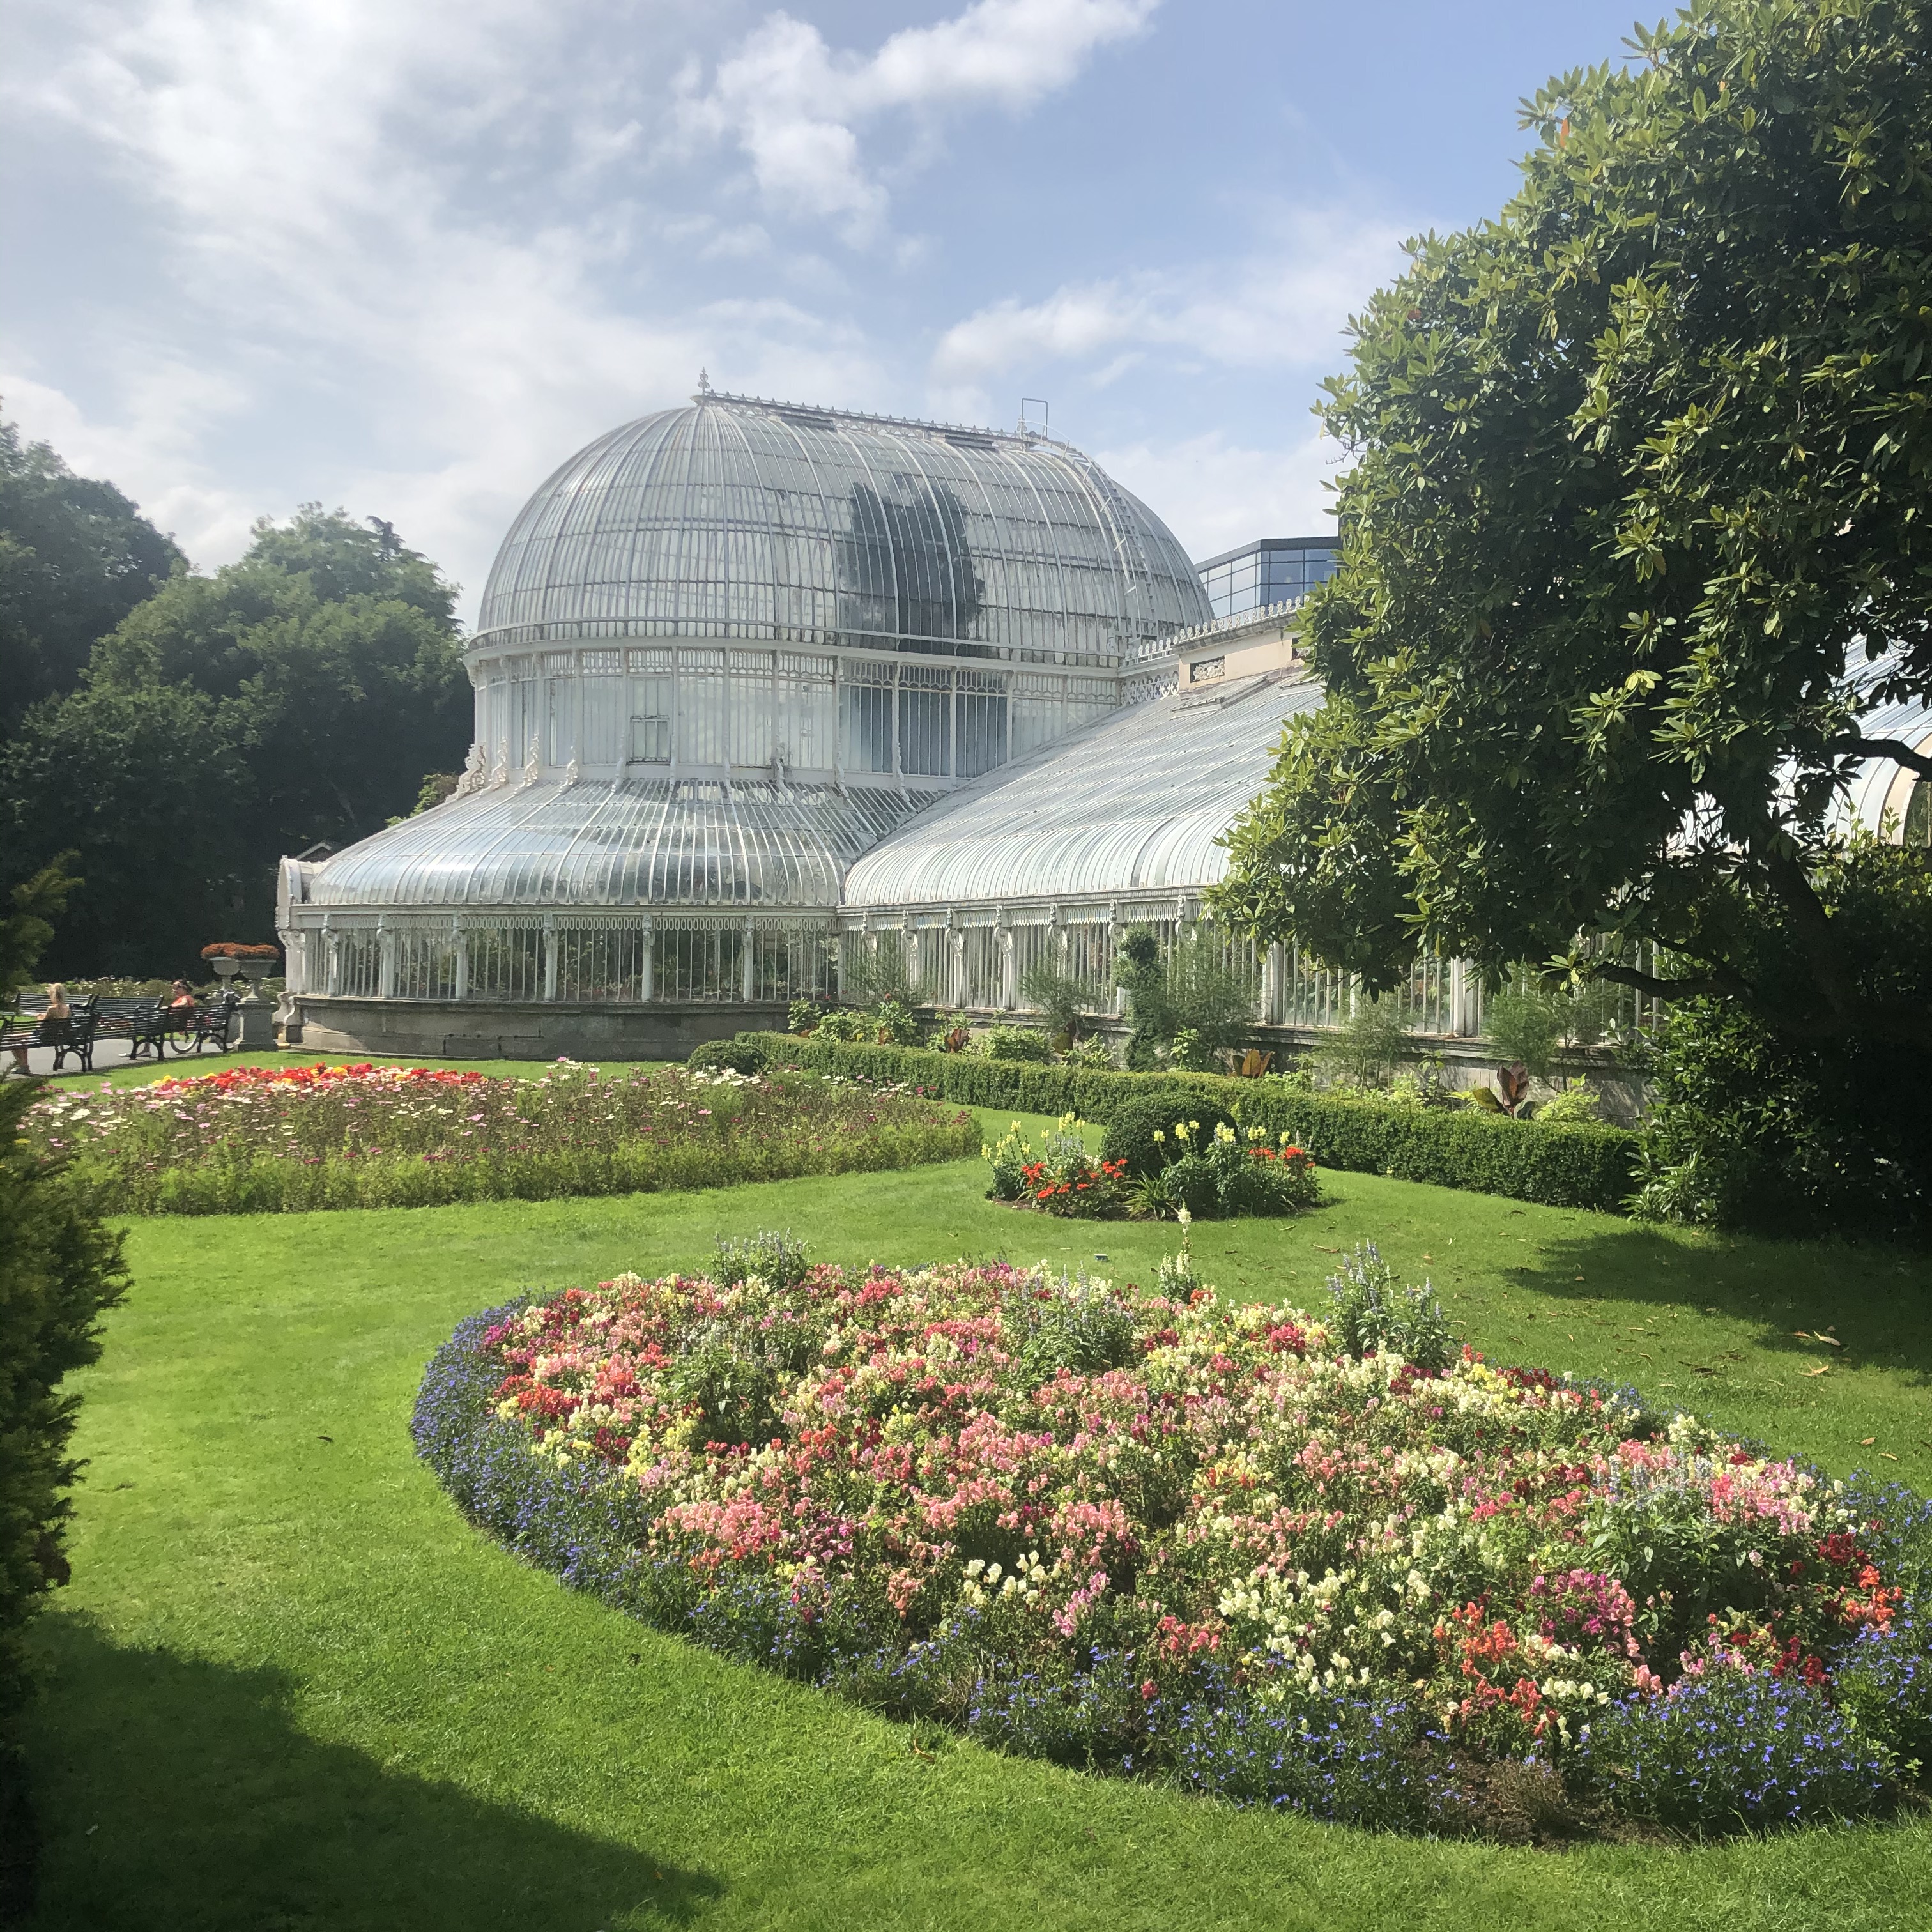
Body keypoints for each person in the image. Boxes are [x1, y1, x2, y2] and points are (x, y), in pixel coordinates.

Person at [6, 982, 71, 1076]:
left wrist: (39, 1017)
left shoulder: (52, 1009)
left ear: (53, 995)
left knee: (13, 1039)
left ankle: (24, 1066)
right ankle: (24, 1066)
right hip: (55, 1036)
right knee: (17, 1038)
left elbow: (41, 1025)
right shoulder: (67, 1008)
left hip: (43, 1036)